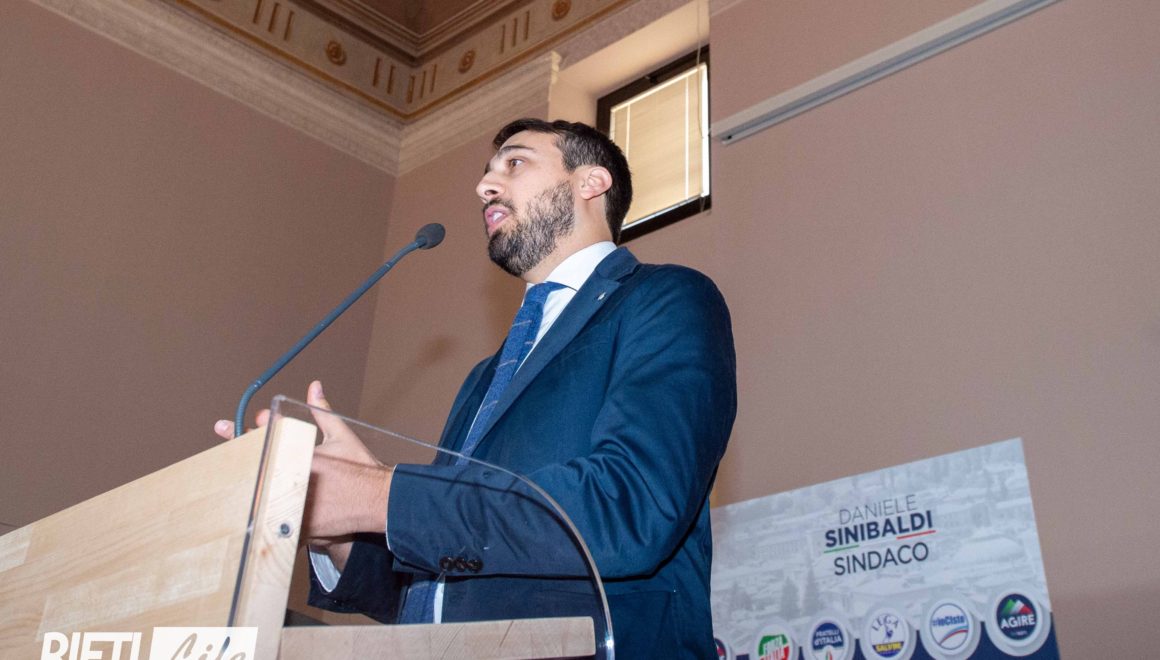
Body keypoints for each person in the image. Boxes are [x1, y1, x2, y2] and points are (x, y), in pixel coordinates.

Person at [216, 118, 737, 657]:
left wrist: (376, 496)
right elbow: (435, 590)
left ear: (591, 182)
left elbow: (631, 505)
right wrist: (335, 525)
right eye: (488, 171)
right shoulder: (483, 377)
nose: (484, 185)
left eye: (515, 163)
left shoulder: (667, 299)